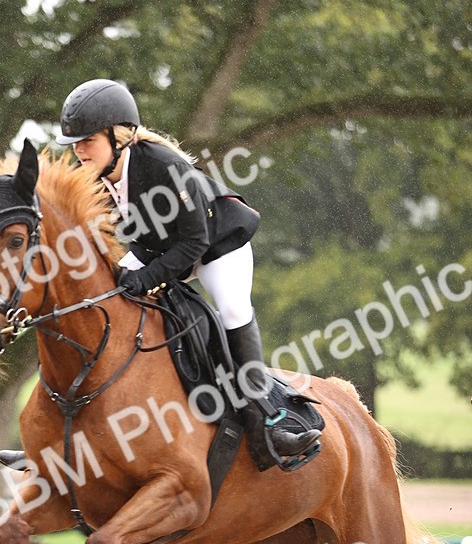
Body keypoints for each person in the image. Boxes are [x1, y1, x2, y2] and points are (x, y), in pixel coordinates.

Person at [53, 78, 322, 470]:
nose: (78, 150)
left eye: (87, 140)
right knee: (97, 297)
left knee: (231, 311)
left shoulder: (163, 166)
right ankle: (64, 429)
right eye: (74, 143)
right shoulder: (93, 178)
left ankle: (272, 419)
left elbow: (194, 243)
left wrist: (145, 280)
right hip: (160, 249)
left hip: (217, 246)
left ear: (120, 136)